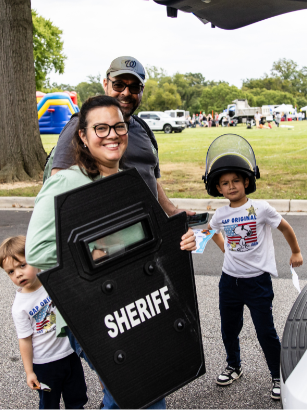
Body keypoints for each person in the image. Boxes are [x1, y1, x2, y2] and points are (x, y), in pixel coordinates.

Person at [28, 96, 199, 409]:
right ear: (83, 135)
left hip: (133, 305)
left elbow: (146, 243)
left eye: (118, 127)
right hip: (90, 313)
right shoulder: (67, 181)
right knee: (141, 393)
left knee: (135, 392)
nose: (112, 135)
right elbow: (37, 251)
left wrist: (181, 242)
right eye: (101, 128)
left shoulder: (129, 181)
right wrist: (97, 250)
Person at [202, 152, 301, 401]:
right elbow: (210, 231)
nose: (231, 186)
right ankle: (234, 366)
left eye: (236, 180)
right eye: (225, 183)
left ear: (247, 181)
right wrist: (223, 245)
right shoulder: (221, 214)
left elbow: (285, 227)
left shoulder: (260, 208)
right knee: (228, 329)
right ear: (218, 188)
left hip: (257, 282)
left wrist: (296, 251)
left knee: (265, 331)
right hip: (229, 281)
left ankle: (278, 375)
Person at [50, 56, 184, 218]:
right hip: (109, 234)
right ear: (106, 84)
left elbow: (150, 179)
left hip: (150, 231)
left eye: (134, 87)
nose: (126, 93)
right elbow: (58, 187)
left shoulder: (142, 127)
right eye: (118, 85)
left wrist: (172, 211)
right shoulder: (81, 126)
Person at [5, 236, 87, 409]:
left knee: (77, 400)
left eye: (22, 265)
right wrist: (29, 372)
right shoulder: (19, 307)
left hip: (70, 354)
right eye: (11, 272)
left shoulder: (52, 282)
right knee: (49, 404)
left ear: (36, 259)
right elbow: (24, 340)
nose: (18, 273)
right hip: (45, 364)